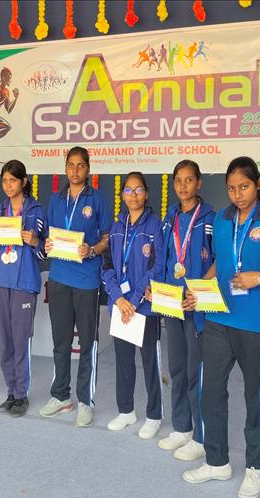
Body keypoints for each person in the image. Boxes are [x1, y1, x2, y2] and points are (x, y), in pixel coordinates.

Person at [182, 157, 260, 498]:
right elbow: (220, 263)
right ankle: (217, 461)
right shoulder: (222, 219)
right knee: (210, 391)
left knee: (255, 395)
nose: (238, 194)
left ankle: (254, 467)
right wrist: (199, 290)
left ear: (258, 184)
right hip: (219, 318)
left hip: (256, 325)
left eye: (244, 187)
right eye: (231, 188)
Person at [40, 146, 111, 427]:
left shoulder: (98, 198)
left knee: (87, 342)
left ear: (88, 169)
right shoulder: (56, 199)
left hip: (86, 279)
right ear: (65, 167)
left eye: (80, 165)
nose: (75, 170)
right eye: (71, 165)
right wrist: (47, 244)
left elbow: (107, 237)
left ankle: (85, 400)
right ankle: (60, 395)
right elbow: (48, 234)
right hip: (59, 276)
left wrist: (92, 250)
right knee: (61, 341)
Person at [155, 159, 215, 460]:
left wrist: (200, 290)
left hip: (197, 305)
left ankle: (202, 436)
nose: (183, 185)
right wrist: (156, 287)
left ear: (199, 183)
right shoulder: (169, 218)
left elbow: (220, 260)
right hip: (172, 303)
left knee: (195, 371)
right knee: (177, 368)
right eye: (178, 180)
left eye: (189, 180)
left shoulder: (210, 219)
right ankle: (182, 427)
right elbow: (164, 259)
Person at [0, 160, 45, 418]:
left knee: (20, 339)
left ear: (23, 181)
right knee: (6, 340)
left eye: (13, 180)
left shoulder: (36, 211)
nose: (8, 185)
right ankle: (11, 390)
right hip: (0, 280)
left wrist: (35, 241)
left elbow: (45, 250)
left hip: (23, 281)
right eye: (4, 180)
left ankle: (22, 393)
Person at [100, 172, 165, 439]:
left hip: (144, 307)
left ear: (146, 194)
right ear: (122, 195)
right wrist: (118, 297)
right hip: (121, 306)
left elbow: (158, 266)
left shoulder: (155, 226)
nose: (133, 195)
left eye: (138, 190)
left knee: (150, 362)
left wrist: (135, 299)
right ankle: (126, 410)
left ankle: (154, 415)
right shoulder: (116, 227)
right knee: (123, 360)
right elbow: (106, 266)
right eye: (128, 190)